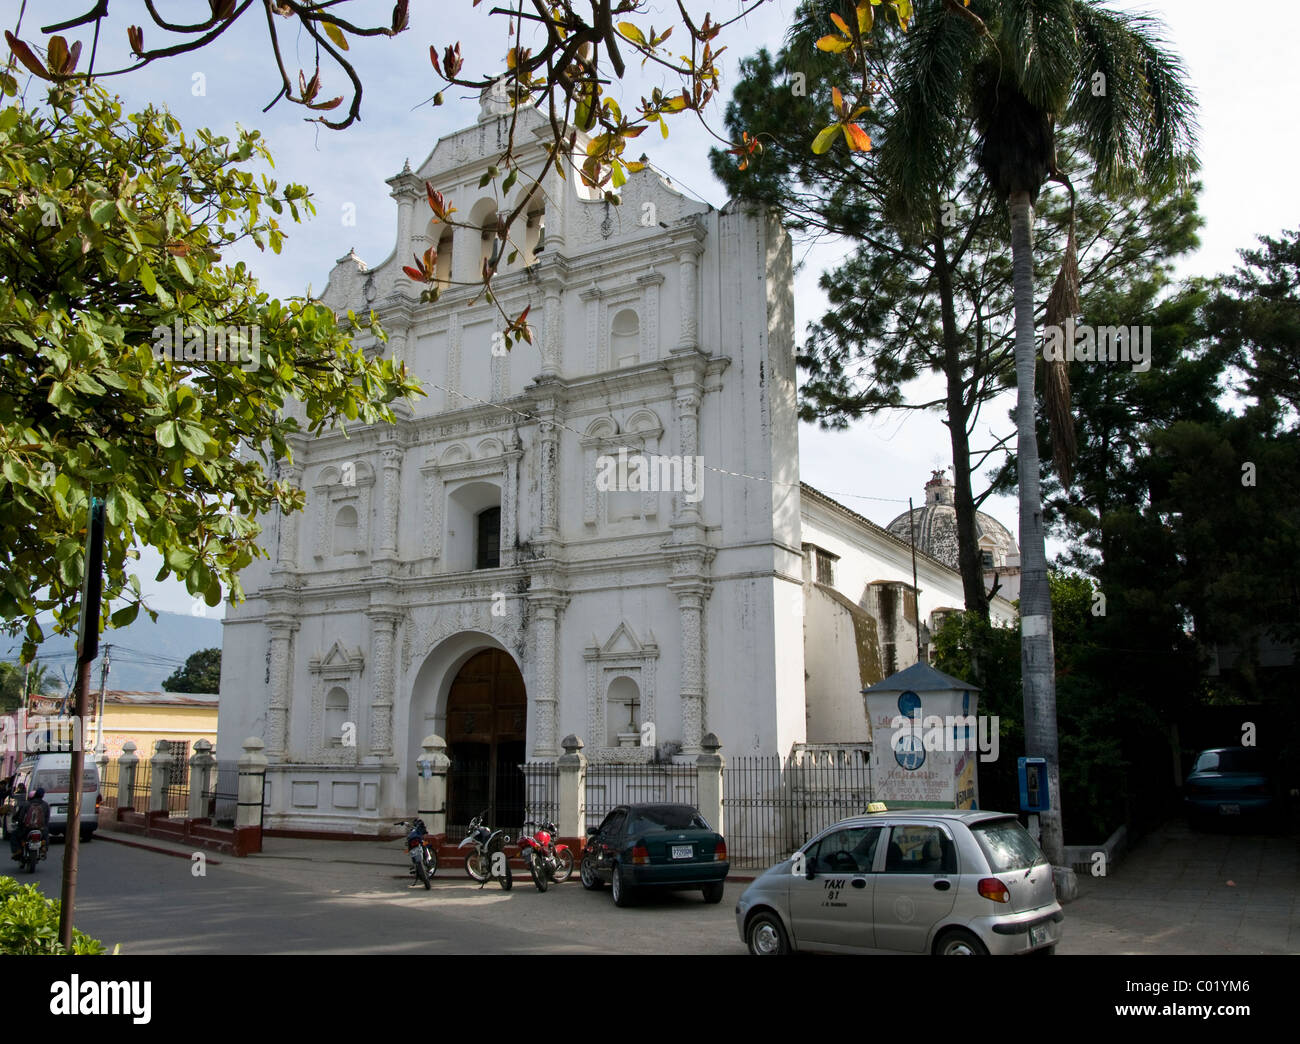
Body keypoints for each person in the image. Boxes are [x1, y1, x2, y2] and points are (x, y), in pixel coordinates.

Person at [10, 786, 49, 859]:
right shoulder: (45, 805)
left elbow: (21, 817)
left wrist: (20, 825)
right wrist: (44, 827)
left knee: (14, 835)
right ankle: (44, 848)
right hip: (40, 829)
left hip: (27, 828)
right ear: (43, 795)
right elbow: (47, 819)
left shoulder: (27, 804)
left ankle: (17, 850)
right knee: (46, 836)